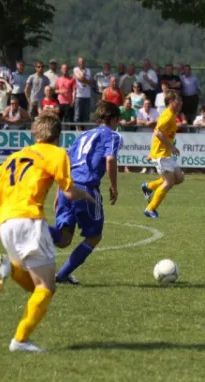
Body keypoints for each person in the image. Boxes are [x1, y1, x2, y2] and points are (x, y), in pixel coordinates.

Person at [0, 113, 95, 352]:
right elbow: (68, 192)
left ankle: (10, 269)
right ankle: (20, 340)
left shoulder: (17, 155)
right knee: (47, 287)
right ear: (58, 136)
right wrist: (87, 195)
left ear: (35, 133)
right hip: (29, 221)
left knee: (37, 288)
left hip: (6, 224)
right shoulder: (57, 153)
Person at [48, 101, 122, 284]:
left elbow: (66, 160)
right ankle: (62, 275)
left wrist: (59, 191)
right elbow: (110, 160)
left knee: (64, 238)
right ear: (113, 119)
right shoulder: (113, 136)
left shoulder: (83, 135)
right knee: (94, 236)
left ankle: (33, 232)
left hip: (68, 187)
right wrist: (114, 187)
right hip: (86, 189)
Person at [141, 90, 185, 218]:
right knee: (169, 182)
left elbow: (156, 131)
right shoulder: (167, 116)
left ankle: (149, 187)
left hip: (165, 153)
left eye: (181, 102)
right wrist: (170, 147)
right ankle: (150, 209)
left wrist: (152, 152)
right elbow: (158, 133)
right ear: (171, 102)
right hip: (161, 155)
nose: (180, 104)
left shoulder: (171, 114)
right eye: (178, 102)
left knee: (179, 178)